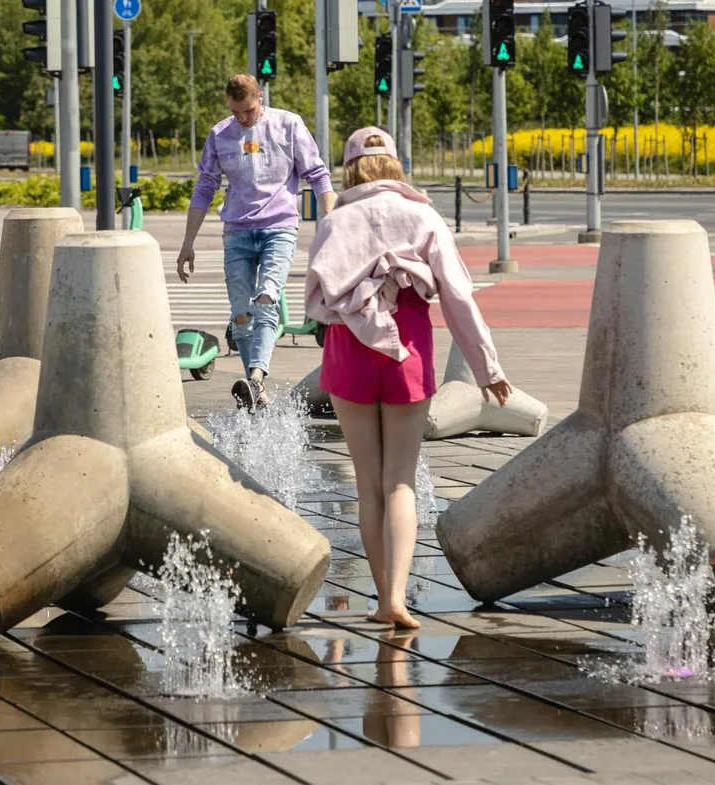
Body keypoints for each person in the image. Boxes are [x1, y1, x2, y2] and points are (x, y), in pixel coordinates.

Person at [305, 127, 512, 629]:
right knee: (401, 482)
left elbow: (316, 299)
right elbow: (459, 297)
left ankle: (381, 600)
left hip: (350, 353)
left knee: (367, 484)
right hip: (408, 351)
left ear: (351, 168)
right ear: (396, 164)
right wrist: (487, 368)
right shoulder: (424, 216)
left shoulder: (336, 221)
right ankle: (398, 597)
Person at [177, 73, 336, 410]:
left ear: (260, 97)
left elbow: (318, 176)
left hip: (279, 227)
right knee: (241, 315)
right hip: (236, 231)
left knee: (266, 299)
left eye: (247, 111)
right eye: (235, 113)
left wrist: (334, 224)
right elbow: (205, 187)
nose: (242, 119)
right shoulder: (220, 134)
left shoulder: (289, 125)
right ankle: (256, 394)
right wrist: (187, 242)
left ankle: (256, 378)